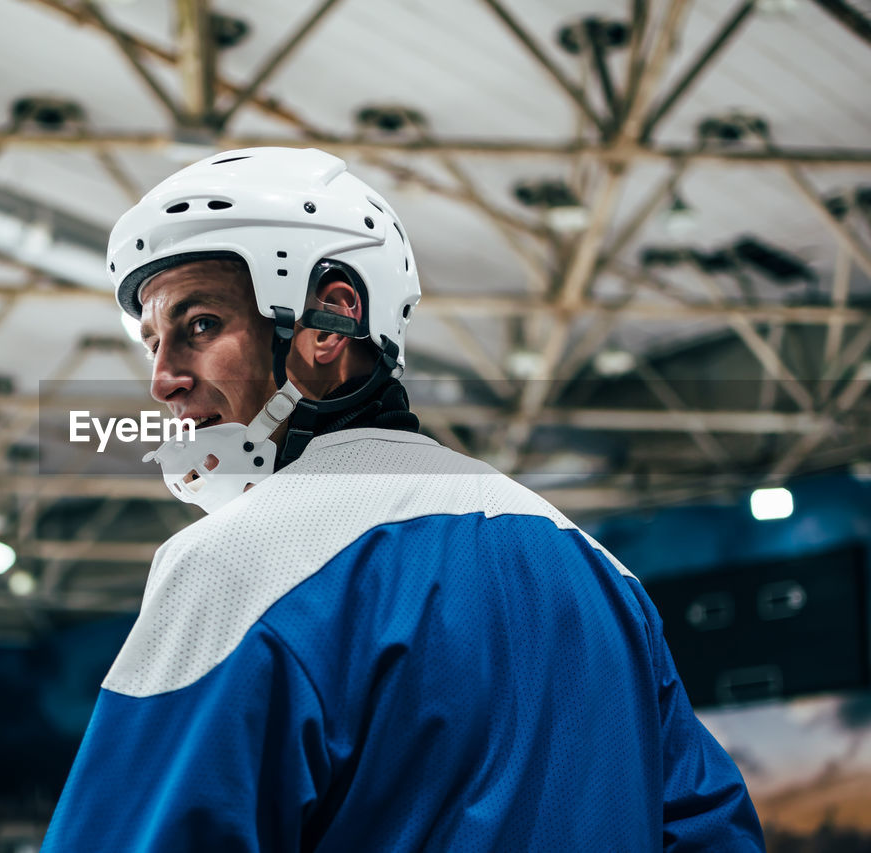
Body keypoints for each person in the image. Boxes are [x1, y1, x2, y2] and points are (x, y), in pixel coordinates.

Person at [41, 147, 764, 851]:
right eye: (152, 343)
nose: (163, 379)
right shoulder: (604, 576)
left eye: (200, 326)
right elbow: (710, 828)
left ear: (330, 321)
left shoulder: (239, 566)